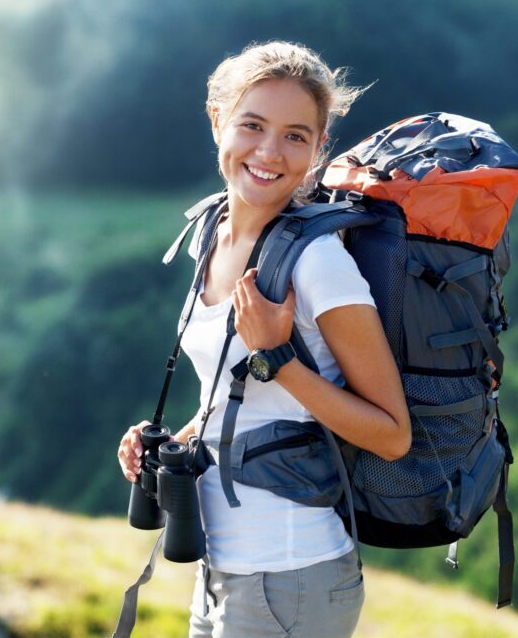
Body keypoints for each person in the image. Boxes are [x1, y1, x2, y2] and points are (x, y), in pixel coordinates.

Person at [116, 41, 410, 638]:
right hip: (222, 568)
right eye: (253, 125)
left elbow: (392, 434)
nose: (270, 152)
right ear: (218, 120)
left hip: (291, 576)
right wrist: (178, 438)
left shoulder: (319, 263)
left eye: (296, 136)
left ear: (317, 149)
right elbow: (232, 398)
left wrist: (278, 357)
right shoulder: (210, 233)